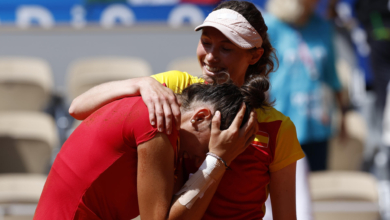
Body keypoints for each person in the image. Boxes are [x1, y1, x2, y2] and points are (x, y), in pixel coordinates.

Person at [69, 1, 305, 219]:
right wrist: (139, 83)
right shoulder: (174, 87)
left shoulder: (278, 128)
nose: (210, 57)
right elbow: (78, 107)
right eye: (206, 42)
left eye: (226, 48)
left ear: (254, 55)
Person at [34, 80, 262, 220]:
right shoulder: (159, 122)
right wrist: (217, 159)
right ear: (200, 117)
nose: (200, 159)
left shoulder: (164, 118)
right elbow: (75, 107)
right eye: (210, 146)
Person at [265, 0, 346, 171]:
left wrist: (343, 114)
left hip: (317, 121)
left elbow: (332, 75)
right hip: (282, 121)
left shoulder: (323, 27)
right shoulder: (271, 26)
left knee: (318, 184)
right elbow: (259, 75)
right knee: (286, 186)